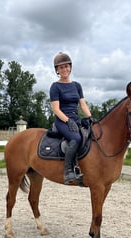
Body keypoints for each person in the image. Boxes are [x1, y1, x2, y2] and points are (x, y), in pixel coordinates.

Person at [49, 52, 93, 184]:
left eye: (66, 66)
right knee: (76, 138)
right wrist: (68, 121)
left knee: (90, 135)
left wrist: (90, 117)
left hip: (75, 119)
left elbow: (83, 104)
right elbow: (56, 109)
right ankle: (68, 171)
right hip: (62, 120)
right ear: (57, 70)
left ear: (70, 67)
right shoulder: (55, 87)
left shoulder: (77, 85)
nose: (64, 69)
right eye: (61, 67)